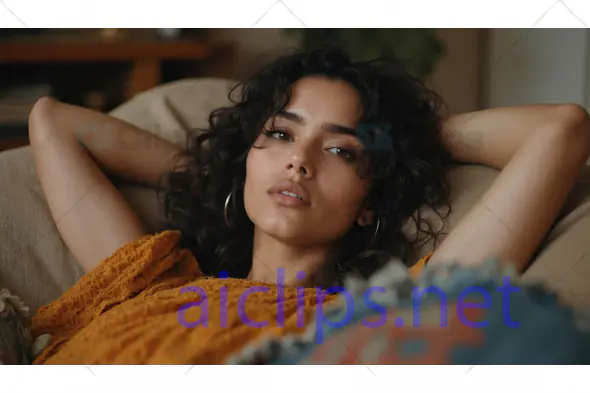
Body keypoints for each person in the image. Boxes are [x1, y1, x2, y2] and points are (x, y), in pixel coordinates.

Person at [26, 47, 590, 364]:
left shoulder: (391, 313)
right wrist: (222, 168)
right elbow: (54, 122)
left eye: (340, 149)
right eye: (279, 135)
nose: (299, 162)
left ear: (370, 203)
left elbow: (562, 129)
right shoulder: (154, 281)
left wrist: (404, 137)